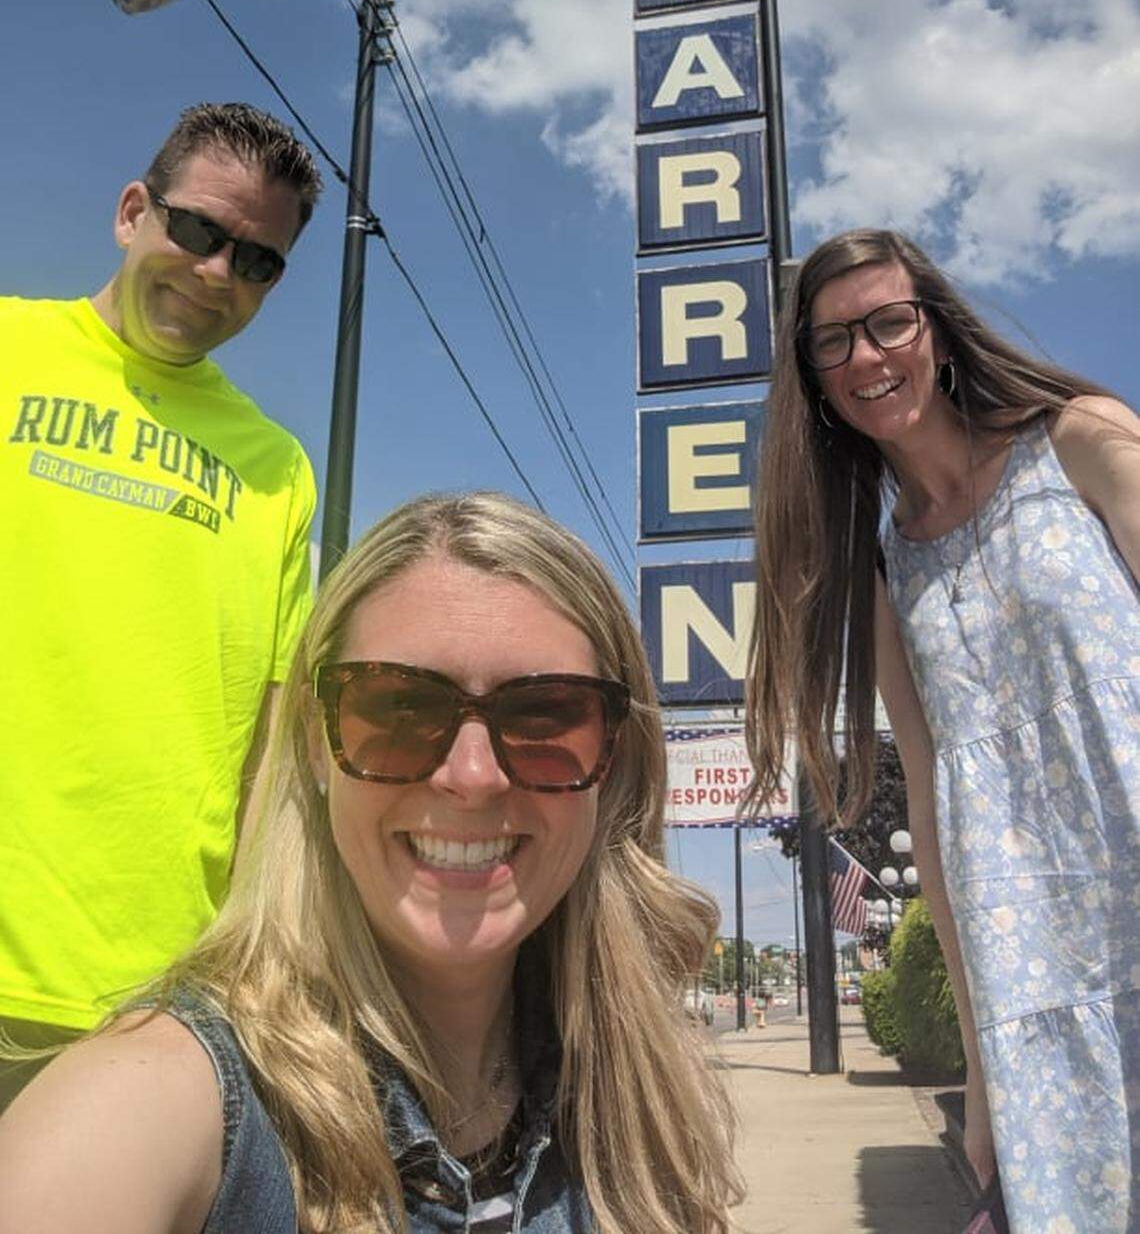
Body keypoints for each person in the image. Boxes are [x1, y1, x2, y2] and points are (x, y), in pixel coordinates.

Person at [0, 491, 740, 1232]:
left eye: (545, 716)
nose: (472, 775)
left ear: (613, 760)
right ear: (318, 744)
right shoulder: (155, 1102)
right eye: (397, 710)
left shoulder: (639, 1103)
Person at [745, 229, 1139, 1234]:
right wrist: (979, 1062)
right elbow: (928, 795)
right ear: (816, 381)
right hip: (1030, 968)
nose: (868, 357)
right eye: (834, 342)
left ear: (937, 328)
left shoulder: (1083, 439)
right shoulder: (885, 573)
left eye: (888, 322)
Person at [0, 104, 320, 1101]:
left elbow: (276, 748)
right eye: (198, 231)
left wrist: (262, 965)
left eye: (259, 260)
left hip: (161, 1001)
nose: (220, 272)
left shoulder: (276, 471)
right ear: (133, 210)